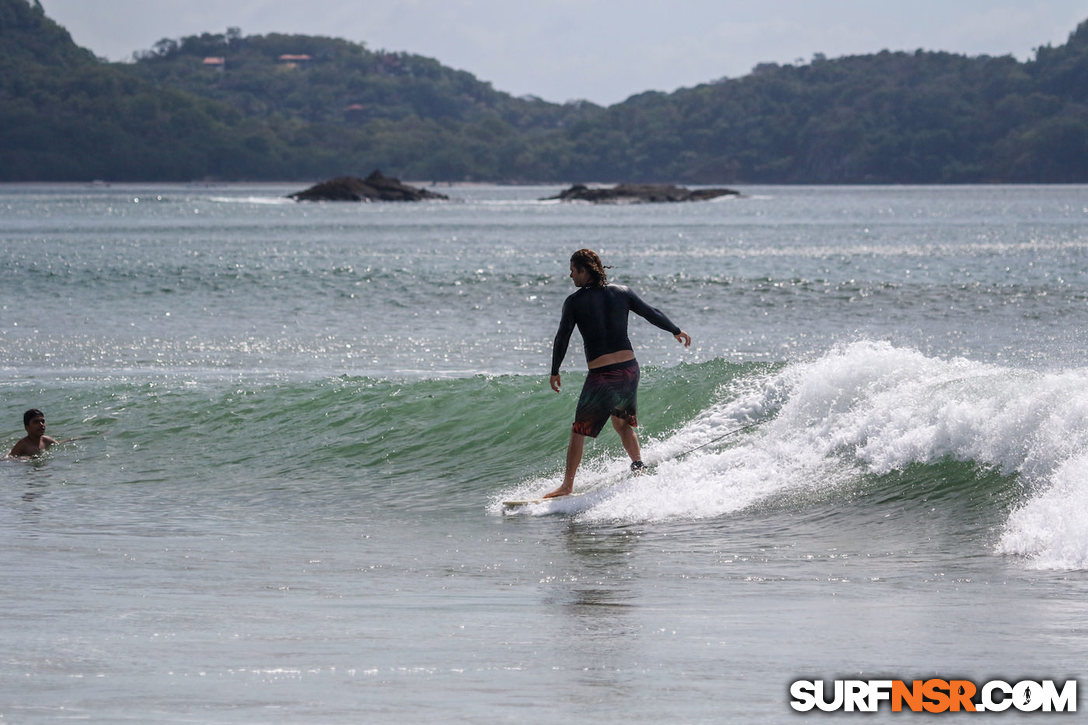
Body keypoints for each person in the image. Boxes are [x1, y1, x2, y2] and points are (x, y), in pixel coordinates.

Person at [545, 249, 691, 498]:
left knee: (578, 430)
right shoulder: (622, 292)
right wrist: (675, 329)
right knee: (622, 424)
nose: (570, 275)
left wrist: (555, 370)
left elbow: (562, 337)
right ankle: (638, 469)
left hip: (603, 375)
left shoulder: (574, 301)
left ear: (585, 270)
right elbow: (651, 312)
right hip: (629, 370)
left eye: (573, 270)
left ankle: (567, 485)